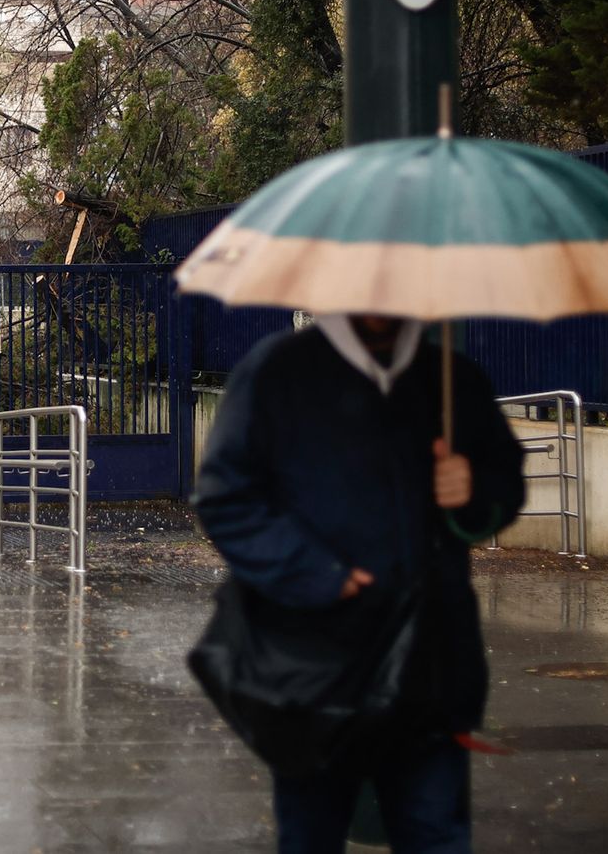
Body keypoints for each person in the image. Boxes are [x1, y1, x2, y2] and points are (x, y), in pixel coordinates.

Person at [191, 313, 525, 853]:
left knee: (436, 835)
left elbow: (503, 484)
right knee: (311, 836)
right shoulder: (278, 371)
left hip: (430, 667)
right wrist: (320, 577)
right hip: (314, 670)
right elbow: (227, 499)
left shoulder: (451, 378)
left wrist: (473, 489)